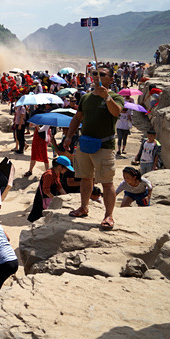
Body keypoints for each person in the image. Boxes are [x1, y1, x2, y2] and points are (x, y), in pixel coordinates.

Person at [62, 66, 124, 230]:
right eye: (94, 73)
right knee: (85, 178)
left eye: (102, 74)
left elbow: (116, 112)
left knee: (107, 182)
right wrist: (69, 136)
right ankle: (83, 207)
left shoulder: (115, 97)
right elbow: (77, 117)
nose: (97, 76)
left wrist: (107, 98)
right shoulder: (86, 97)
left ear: (111, 79)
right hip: (85, 144)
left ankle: (108, 215)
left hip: (104, 146)